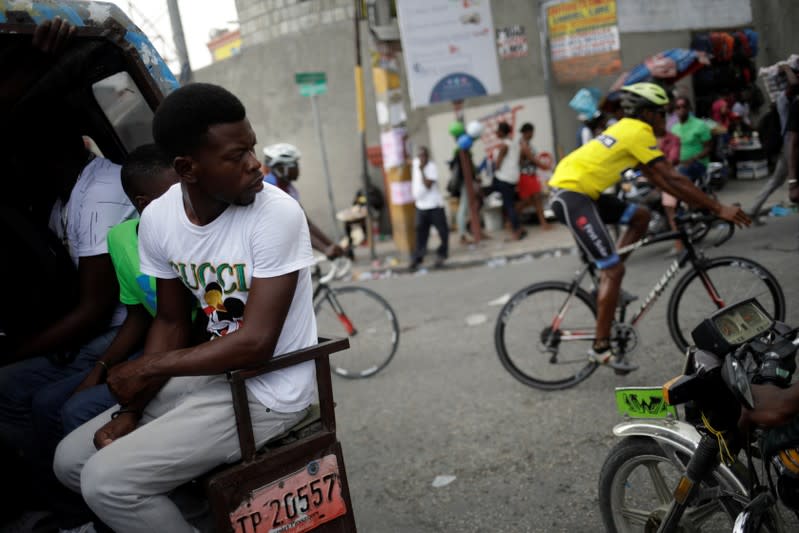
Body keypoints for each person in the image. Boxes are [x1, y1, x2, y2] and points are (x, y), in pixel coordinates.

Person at [54, 82, 319, 532]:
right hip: (212, 377)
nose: (257, 165)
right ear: (187, 168)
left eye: (252, 148)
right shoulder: (158, 219)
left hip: (270, 391)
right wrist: (132, 410)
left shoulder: (276, 214)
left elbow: (256, 342)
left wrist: (148, 369)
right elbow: (173, 321)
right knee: (71, 461)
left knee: (107, 482)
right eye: (236, 156)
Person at [547, 82, 749, 372]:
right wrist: (717, 208)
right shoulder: (637, 131)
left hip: (582, 192)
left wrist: (695, 205)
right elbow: (672, 178)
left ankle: (604, 283)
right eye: (661, 113)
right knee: (614, 269)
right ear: (646, 114)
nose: (665, 119)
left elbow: (661, 180)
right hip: (571, 195)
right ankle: (601, 348)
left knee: (640, 217)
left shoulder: (630, 131)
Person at [0, 130, 135, 529]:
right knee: (8, 386)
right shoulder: (64, 201)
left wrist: (16, 349)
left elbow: (96, 310)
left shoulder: (100, 195)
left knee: (46, 401)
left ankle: (72, 513)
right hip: (103, 331)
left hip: (115, 330)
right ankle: (50, 499)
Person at [262, 143, 344, 259]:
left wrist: (331, 245)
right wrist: (325, 249)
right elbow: (294, 228)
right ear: (282, 169)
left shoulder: (289, 189)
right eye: (294, 165)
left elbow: (305, 222)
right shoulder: (270, 189)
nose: (298, 169)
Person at [749, 65, 799, 222]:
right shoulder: (784, 100)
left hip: (789, 146)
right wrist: (786, 68)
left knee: (776, 181)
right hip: (790, 147)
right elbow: (794, 84)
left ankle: (753, 210)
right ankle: (752, 210)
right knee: (777, 180)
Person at [410, 146, 448, 270]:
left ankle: (442, 253)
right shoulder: (416, 163)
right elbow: (407, 159)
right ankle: (418, 256)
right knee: (420, 232)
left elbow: (428, 185)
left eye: (424, 156)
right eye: (420, 156)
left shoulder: (431, 168)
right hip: (421, 206)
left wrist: (422, 171)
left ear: (427, 157)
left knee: (442, 231)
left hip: (434, 205)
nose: (422, 159)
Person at [488, 121, 525, 241]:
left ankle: (517, 229)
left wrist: (495, 168)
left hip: (504, 177)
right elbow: (519, 161)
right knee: (510, 204)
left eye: (498, 130)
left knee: (508, 205)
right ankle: (516, 227)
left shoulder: (504, 145)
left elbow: (497, 164)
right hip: (513, 176)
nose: (496, 132)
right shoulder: (514, 144)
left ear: (502, 132)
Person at [516, 122, 552, 230]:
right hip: (526, 176)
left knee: (536, 199)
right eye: (532, 132)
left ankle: (543, 223)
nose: (533, 134)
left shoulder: (526, 143)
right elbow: (531, 158)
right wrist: (544, 166)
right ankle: (511, 217)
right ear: (528, 132)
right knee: (529, 200)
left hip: (530, 175)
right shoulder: (523, 144)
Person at [671, 96, 713, 184]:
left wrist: (693, 159)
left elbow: (708, 148)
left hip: (698, 163)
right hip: (679, 164)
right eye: (678, 107)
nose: (681, 109)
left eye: (684, 106)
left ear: (689, 108)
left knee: (680, 175)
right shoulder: (674, 128)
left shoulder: (700, 125)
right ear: (675, 110)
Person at [657, 130, 683, 255]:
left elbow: (672, 160)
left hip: (670, 177)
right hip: (660, 176)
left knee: (670, 210)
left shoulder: (673, 139)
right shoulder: (654, 139)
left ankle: (679, 245)